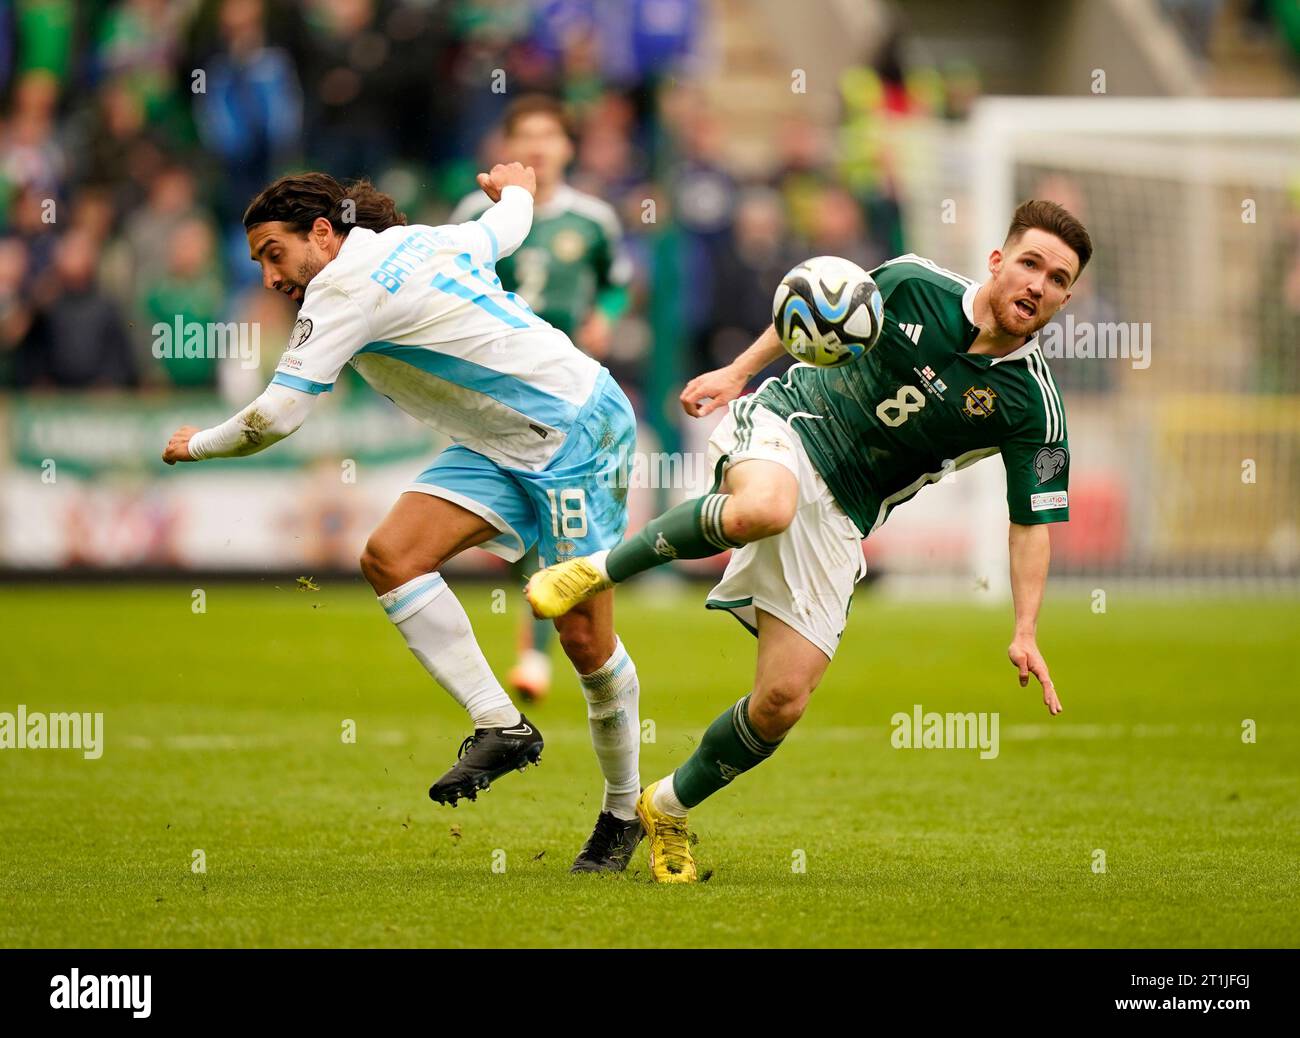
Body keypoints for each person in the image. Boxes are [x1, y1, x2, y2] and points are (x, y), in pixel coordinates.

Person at [527, 200, 1090, 882]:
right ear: (998, 261)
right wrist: (737, 373)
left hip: (848, 512)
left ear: (1065, 298)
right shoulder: (914, 283)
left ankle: (666, 808)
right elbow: (815, 306)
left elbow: (1031, 521)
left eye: (1057, 279)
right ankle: (597, 570)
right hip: (792, 422)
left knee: (782, 702)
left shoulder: (1034, 405)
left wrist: (1026, 627)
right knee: (764, 506)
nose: (1037, 284)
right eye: (1029, 263)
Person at [162, 163, 645, 873]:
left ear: (322, 234)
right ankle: (500, 724)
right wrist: (516, 187)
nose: (271, 277)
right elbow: (502, 229)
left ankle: (624, 811)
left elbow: (276, 417)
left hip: (576, 430)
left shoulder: (340, 291)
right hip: (501, 441)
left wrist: (195, 444)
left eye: (274, 254)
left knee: (582, 639)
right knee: (392, 555)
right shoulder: (422, 239)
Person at [450, 94, 631, 703]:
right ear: (508, 147)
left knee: (555, 515)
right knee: (530, 519)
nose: (537, 146)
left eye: (549, 135)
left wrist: (603, 317)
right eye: (525, 135)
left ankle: (539, 650)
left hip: (565, 387)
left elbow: (614, 284)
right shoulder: (476, 212)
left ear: (567, 148)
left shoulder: (593, 220)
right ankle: (549, 641)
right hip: (491, 388)